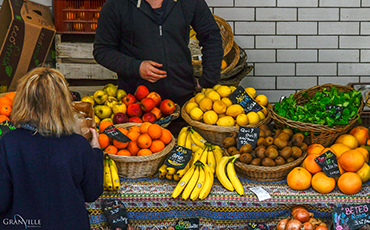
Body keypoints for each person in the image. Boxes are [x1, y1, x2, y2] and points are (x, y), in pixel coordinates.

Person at [0, 67, 104, 229]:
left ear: (22, 101)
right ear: (64, 104)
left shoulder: (8, 143)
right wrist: (96, 150)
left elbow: (2, 200)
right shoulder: (79, 145)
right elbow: (92, 192)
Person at [93, 0, 224, 106]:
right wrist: (136, 67)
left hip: (183, 100)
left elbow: (211, 37)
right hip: (136, 105)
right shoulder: (116, 5)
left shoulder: (188, 2)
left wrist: (207, 80)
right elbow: (102, 50)